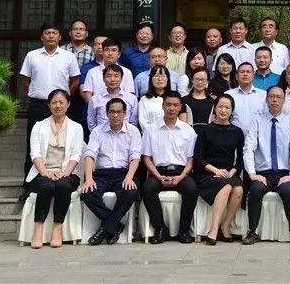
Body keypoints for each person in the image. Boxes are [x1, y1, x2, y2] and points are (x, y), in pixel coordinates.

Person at [19, 23, 81, 191]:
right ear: (42, 37)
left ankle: (62, 179)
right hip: (39, 105)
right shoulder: (32, 55)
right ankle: (29, 187)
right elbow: (25, 78)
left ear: (60, 37)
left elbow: (75, 80)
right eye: (47, 33)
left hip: (60, 105)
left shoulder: (68, 56)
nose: (51, 35)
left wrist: (64, 96)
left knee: (63, 142)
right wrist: (34, 91)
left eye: (54, 33)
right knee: (33, 145)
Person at [242, 86, 290, 245]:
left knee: (288, 191)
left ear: (284, 100)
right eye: (271, 96)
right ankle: (252, 231)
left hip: (284, 172)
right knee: (255, 190)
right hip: (262, 173)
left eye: (278, 97)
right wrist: (252, 174)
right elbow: (248, 148)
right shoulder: (257, 121)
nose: (275, 100)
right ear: (266, 100)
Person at [25, 89, 84, 249]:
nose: (58, 106)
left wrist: (65, 173)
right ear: (49, 105)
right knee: (47, 186)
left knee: (63, 186)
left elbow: (76, 154)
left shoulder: (76, 127)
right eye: (54, 102)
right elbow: (35, 153)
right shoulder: (39, 126)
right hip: (43, 171)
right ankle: (38, 228)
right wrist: (45, 172)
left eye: (61, 102)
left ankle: (57, 228)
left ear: (68, 104)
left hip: (68, 172)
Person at [81, 98, 141, 245]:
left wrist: (129, 177)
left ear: (125, 114)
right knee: (87, 193)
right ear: (107, 113)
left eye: (119, 112)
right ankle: (114, 225)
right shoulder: (97, 131)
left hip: (123, 174)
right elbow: (90, 155)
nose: (115, 115)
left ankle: (106, 228)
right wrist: (89, 179)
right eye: (112, 112)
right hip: (102, 174)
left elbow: (135, 157)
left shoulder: (133, 131)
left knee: (131, 192)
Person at [140, 91, 198, 244]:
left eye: (175, 105)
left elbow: (191, 159)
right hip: (158, 172)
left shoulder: (188, 130)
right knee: (147, 189)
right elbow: (147, 158)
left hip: (181, 172)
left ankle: (184, 230)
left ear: (180, 107)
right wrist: (158, 176)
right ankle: (160, 229)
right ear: (163, 106)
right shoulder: (151, 129)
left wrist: (182, 176)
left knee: (192, 189)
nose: (171, 108)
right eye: (168, 105)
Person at [194, 94, 245, 245]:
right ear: (214, 109)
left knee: (239, 189)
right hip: (208, 173)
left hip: (229, 173)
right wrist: (216, 171)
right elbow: (198, 158)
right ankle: (213, 229)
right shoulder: (205, 130)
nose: (223, 110)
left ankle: (225, 225)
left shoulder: (237, 132)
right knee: (226, 186)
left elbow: (240, 160)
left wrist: (232, 172)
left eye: (227, 107)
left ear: (232, 110)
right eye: (220, 107)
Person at [62, 19, 94, 129]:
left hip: (85, 93)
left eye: (81, 29)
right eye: (75, 29)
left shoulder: (93, 52)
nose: (78, 32)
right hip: (66, 91)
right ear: (70, 33)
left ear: (86, 33)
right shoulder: (61, 50)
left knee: (82, 125)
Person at [87, 64, 138, 132]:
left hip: (125, 136)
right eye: (108, 76)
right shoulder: (95, 99)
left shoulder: (131, 98)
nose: (112, 79)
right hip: (101, 136)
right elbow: (91, 123)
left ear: (121, 78)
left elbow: (133, 122)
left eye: (116, 76)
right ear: (103, 79)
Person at [138, 65, 191, 129]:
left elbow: (183, 124)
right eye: (156, 76)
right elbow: (143, 122)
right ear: (151, 79)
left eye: (163, 76)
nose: (160, 79)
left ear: (168, 79)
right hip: (151, 133)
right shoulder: (144, 100)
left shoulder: (176, 98)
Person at [226, 63, 267, 134]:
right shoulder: (229, 94)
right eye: (242, 72)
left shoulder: (263, 95)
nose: (245, 74)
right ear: (236, 76)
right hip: (233, 136)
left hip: (258, 136)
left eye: (248, 72)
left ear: (253, 76)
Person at [185, 67, 215, 134]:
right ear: (192, 80)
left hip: (208, 136)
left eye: (203, 79)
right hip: (189, 136)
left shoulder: (213, 102)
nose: (200, 82)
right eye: (197, 79)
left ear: (207, 81)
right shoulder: (184, 100)